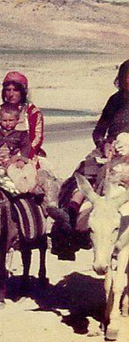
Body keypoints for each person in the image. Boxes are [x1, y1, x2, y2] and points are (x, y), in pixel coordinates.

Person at [59, 59, 129, 229]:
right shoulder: (115, 100)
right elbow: (99, 131)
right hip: (111, 150)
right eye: (127, 76)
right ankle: (71, 214)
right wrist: (104, 145)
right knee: (84, 171)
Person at [0, 71, 45, 161]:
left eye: (15, 90)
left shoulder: (33, 112)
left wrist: (20, 156)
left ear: (22, 92)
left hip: (25, 156)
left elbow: (37, 139)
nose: (11, 94)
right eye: (8, 90)